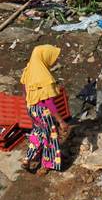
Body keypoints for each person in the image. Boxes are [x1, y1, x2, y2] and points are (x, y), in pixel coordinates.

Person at [20, 45, 69, 175]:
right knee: (50, 138)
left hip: (31, 108)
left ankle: (27, 158)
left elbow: (25, 92)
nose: (52, 62)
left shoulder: (28, 70)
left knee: (37, 133)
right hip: (43, 111)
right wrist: (61, 121)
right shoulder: (43, 77)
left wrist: (30, 110)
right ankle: (46, 165)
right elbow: (49, 102)